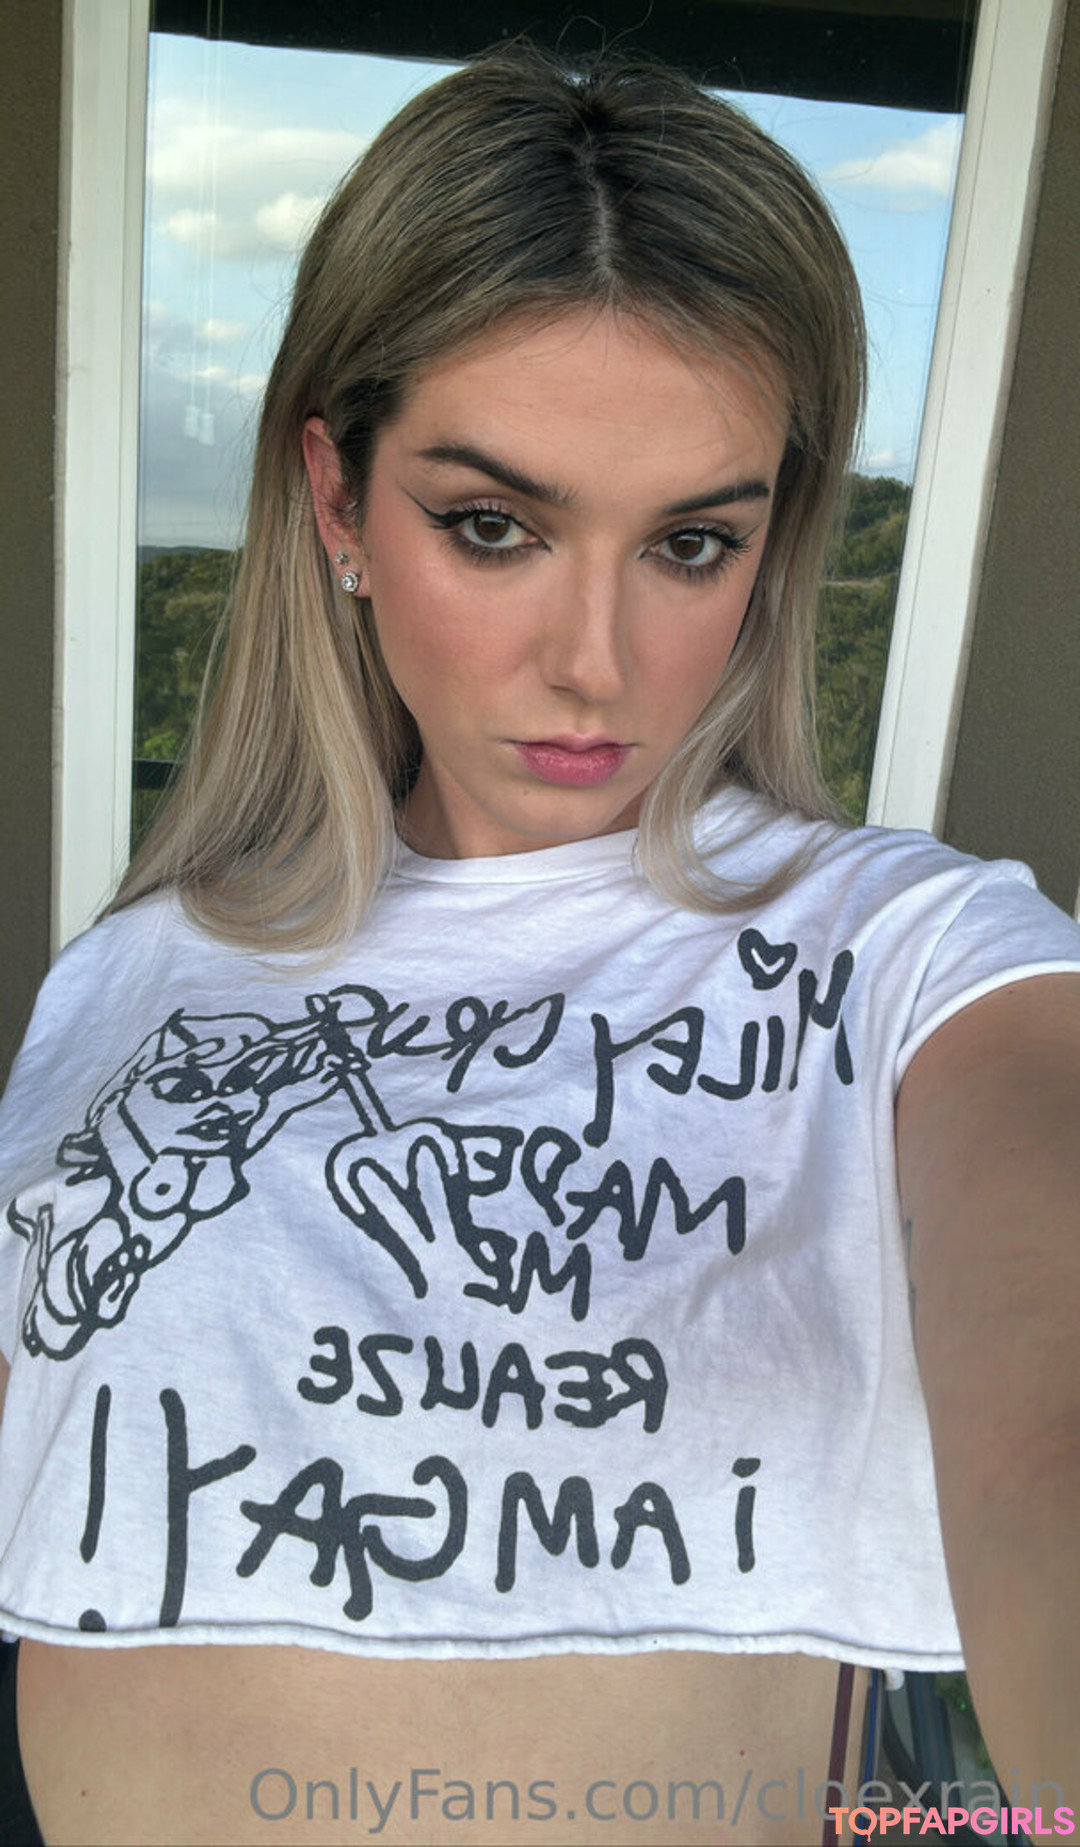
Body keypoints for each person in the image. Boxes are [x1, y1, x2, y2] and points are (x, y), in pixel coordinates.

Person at [1, 43, 1078, 1847]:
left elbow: (1048, 1432)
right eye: (493, 527)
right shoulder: (133, 975)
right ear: (337, 500)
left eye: (691, 543)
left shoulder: (909, 958)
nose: (596, 662)